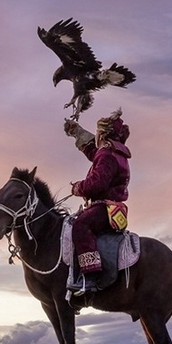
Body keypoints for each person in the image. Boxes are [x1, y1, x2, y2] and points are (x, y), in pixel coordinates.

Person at [63, 108, 131, 291]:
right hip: (115, 209)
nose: (96, 136)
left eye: (98, 132)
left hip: (103, 207)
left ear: (102, 134)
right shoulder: (115, 153)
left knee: (81, 225)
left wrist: (78, 187)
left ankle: (91, 275)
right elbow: (94, 151)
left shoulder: (107, 155)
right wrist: (76, 131)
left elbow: (97, 184)